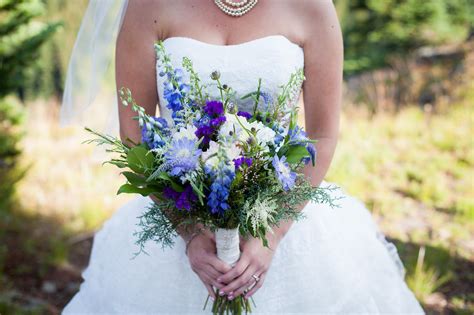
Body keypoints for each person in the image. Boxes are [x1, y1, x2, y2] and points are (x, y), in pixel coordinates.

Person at [62, 0, 425, 313]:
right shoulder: (148, 6)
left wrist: (273, 232)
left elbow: (323, 135)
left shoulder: (312, 7)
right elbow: (134, 136)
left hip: (283, 213)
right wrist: (190, 234)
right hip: (177, 216)